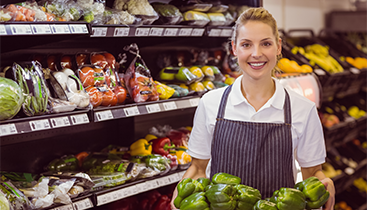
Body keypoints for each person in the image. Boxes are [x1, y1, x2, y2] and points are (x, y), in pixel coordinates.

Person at [170, 7, 335, 210]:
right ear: (234, 49)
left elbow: (312, 173)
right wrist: (179, 198)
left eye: (265, 43)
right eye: (246, 44)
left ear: (278, 47)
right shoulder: (211, 103)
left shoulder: (302, 109)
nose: (256, 54)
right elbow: (197, 168)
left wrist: (326, 183)